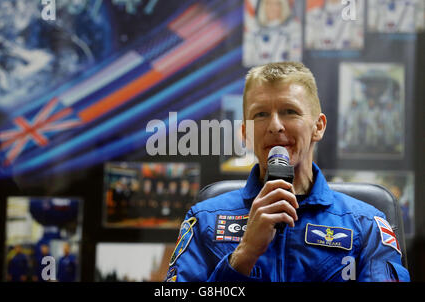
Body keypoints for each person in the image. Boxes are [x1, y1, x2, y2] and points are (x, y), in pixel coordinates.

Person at [165, 62, 410, 282]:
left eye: (289, 111)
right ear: (245, 133)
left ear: (318, 126)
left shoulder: (366, 225)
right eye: (261, 114)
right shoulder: (205, 219)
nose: (275, 125)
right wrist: (244, 255)